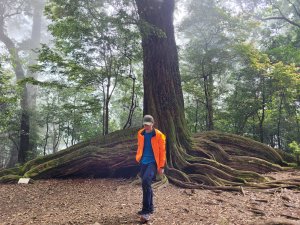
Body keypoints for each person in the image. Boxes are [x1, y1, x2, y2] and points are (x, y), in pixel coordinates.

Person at [135, 115, 166, 222]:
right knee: (146, 185)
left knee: (146, 182)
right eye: (145, 124)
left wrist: (161, 166)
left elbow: (162, 152)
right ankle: (150, 207)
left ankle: (146, 211)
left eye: (148, 124)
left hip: (153, 163)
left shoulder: (159, 135)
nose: (146, 126)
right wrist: (138, 157)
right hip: (143, 162)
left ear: (152, 124)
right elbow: (140, 146)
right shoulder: (140, 133)